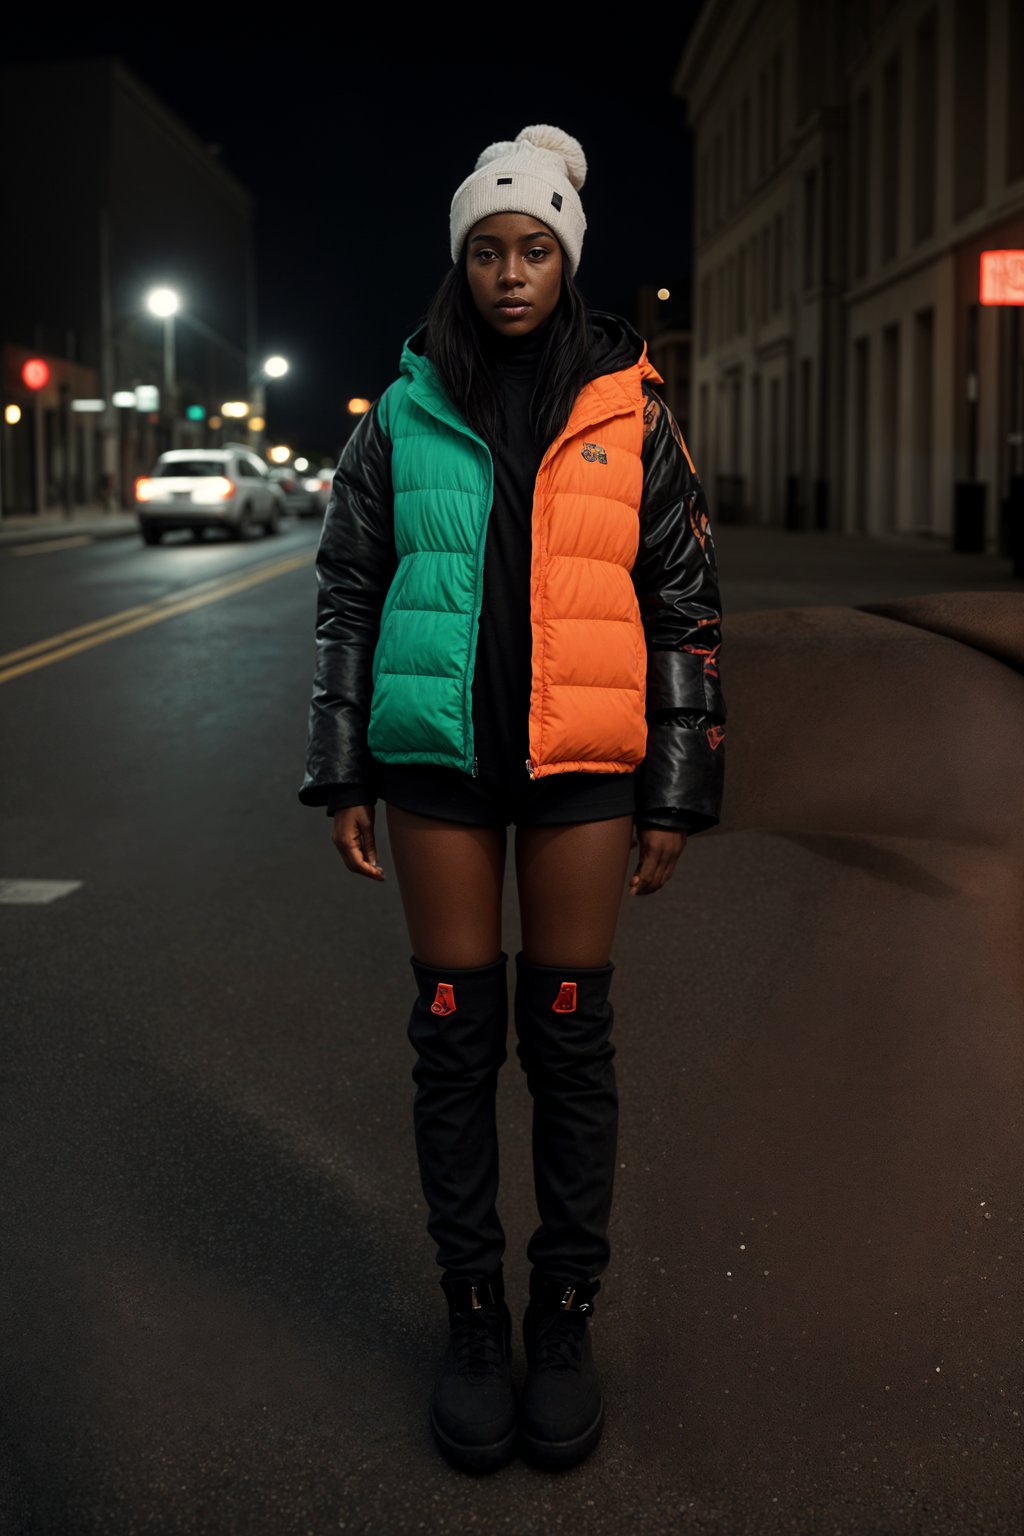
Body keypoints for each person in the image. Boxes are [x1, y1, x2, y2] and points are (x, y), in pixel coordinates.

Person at [298, 124, 726, 1475]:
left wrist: (675, 785)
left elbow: (686, 607)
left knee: (569, 1044)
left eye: (532, 248)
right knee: (452, 1044)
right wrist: (344, 764)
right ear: (460, 266)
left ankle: (563, 1314)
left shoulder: (633, 414)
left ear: (567, 257)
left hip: (584, 774)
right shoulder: (402, 413)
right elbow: (348, 592)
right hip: (436, 766)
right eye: (486, 251)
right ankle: (474, 1314)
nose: (510, 272)